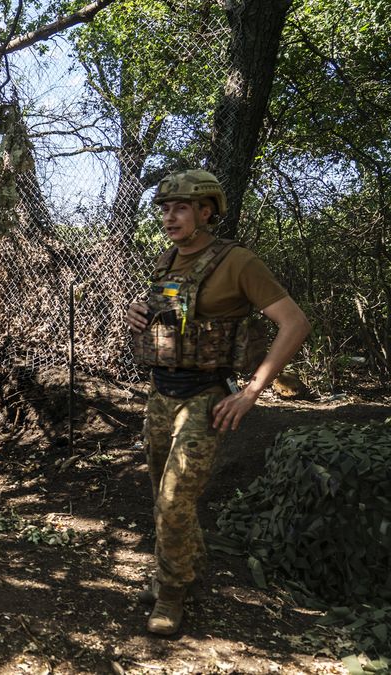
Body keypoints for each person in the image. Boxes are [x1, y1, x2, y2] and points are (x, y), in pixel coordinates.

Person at [125, 169, 310, 636]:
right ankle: (186, 568)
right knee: (164, 497)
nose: (170, 217)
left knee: (173, 499)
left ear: (207, 211)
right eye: (165, 209)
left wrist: (250, 393)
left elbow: (295, 323)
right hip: (161, 391)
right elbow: (165, 321)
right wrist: (138, 316)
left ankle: (171, 594)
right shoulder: (165, 262)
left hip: (206, 397)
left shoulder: (238, 262)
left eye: (181, 207)